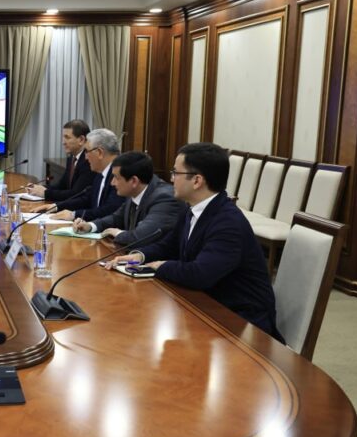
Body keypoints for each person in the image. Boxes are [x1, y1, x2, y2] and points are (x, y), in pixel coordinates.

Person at [104, 143, 282, 340]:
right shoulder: (192, 209)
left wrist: (160, 266)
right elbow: (168, 246)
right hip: (206, 303)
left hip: (241, 322)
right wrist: (139, 256)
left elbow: (200, 274)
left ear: (197, 180)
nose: (171, 179)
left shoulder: (228, 222)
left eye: (176, 173)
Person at [72, 151, 184, 246]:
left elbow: (140, 237)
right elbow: (116, 218)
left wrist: (118, 233)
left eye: (116, 178)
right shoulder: (136, 191)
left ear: (134, 181)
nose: (112, 183)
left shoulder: (164, 199)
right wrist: (90, 226)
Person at [48, 128, 125, 219]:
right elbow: (87, 199)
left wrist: (74, 215)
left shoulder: (120, 174)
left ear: (100, 152)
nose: (85, 157)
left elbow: (109, 211)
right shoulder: (101, 172)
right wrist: (56, 206)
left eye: (87, 151)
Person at [26, 120, 94, 204]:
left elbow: (76, 194)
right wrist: (40, 188)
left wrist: (45, 193)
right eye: (63, 137)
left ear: (81, 140)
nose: (63, 142)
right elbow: (61, 186)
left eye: (67, 137)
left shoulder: (89, 161)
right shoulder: (72, 158)